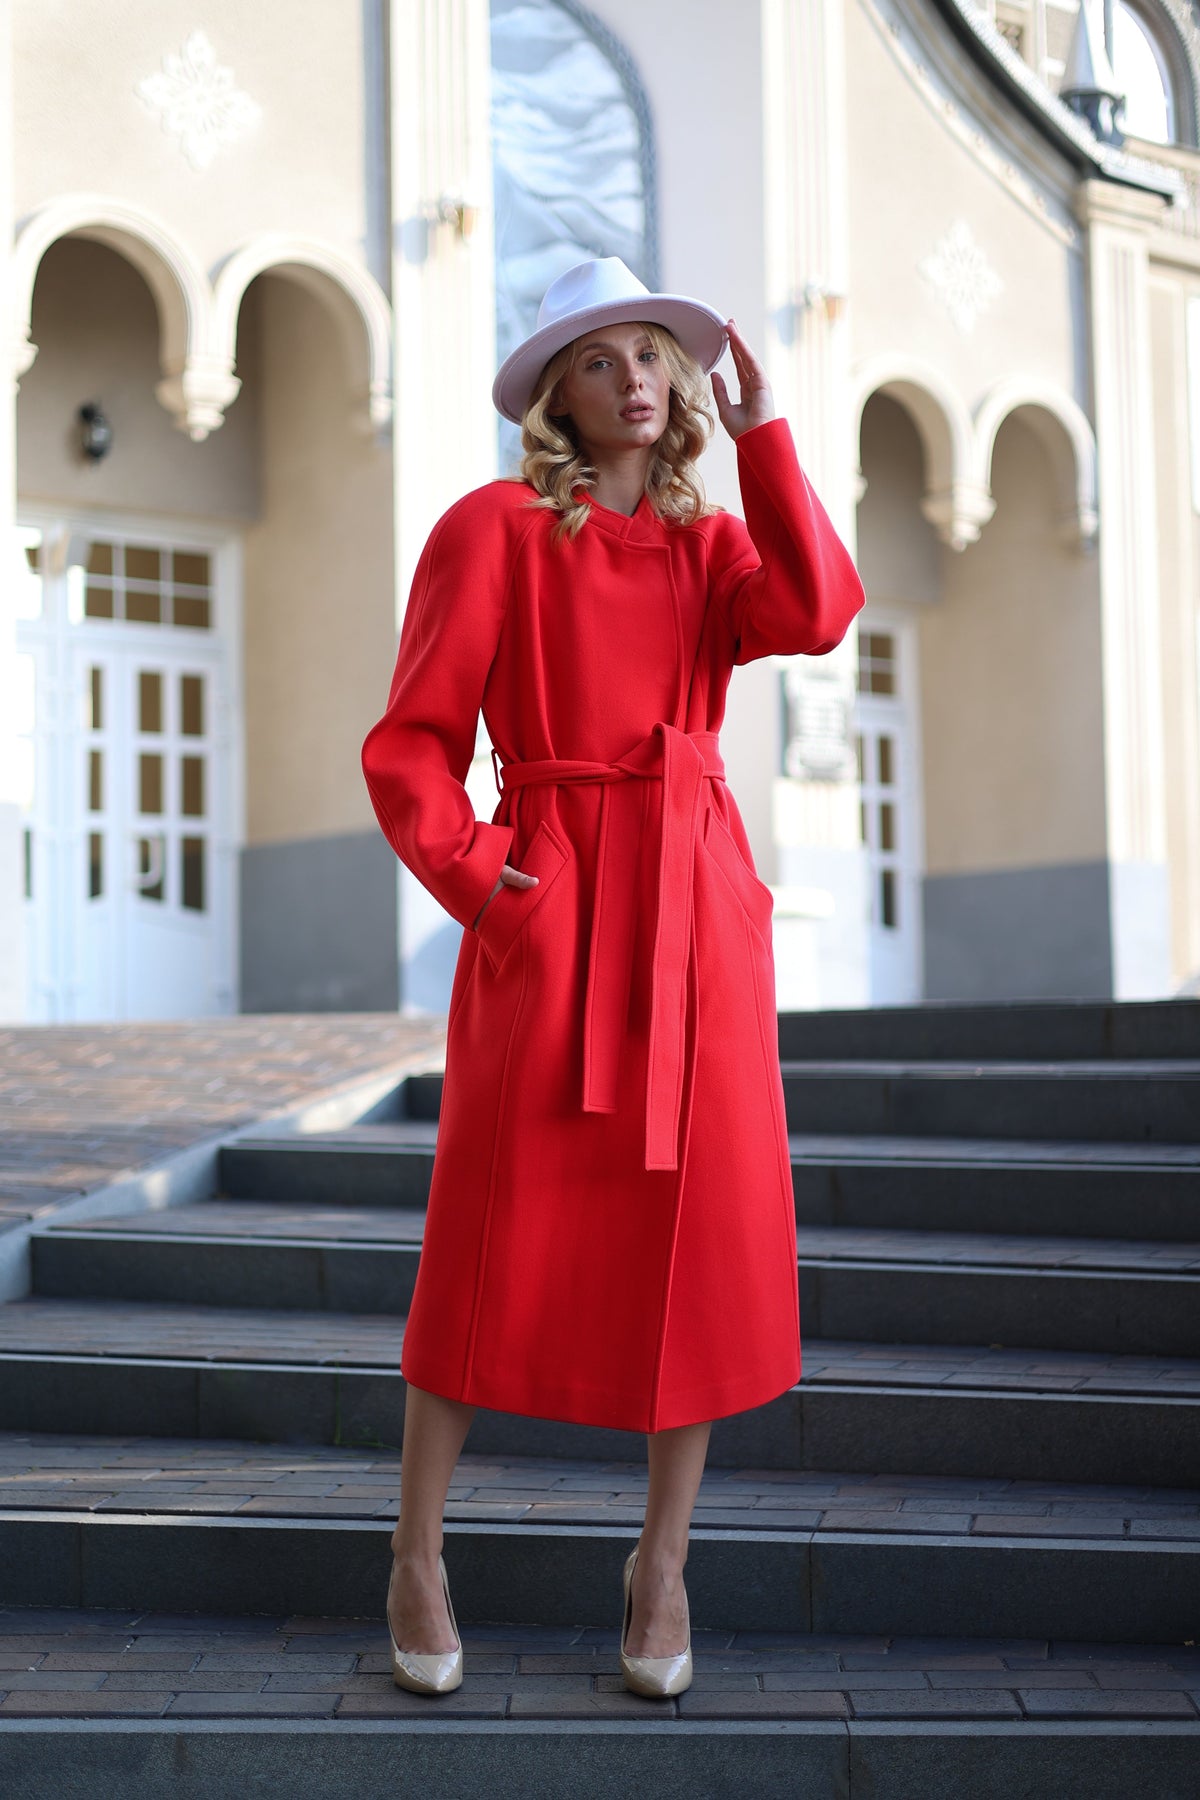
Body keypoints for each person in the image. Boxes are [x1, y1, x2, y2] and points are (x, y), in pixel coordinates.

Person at [361, 256, 865, 1699]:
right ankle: (414, 1552)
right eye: (603, 361)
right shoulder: (495, 531)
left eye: (657, 356)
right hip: (557, 896)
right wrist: (479, 875)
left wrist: (770, 436)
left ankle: (661, 1567)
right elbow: (409, 743)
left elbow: (823, 611)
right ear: (557, 399)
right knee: (483, 1235)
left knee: (695, 1244)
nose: (638, 379)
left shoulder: (713, 553)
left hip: (697, 906)